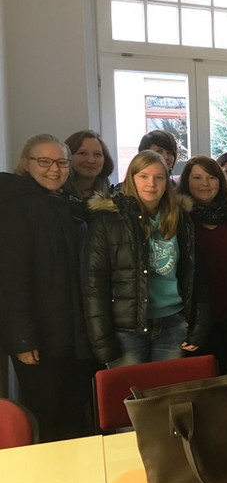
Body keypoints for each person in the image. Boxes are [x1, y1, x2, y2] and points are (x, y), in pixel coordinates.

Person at [0, 134, 97, 441]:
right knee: (48, 416)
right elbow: (12, 278)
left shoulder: (62, 204)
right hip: (39, 338)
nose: (54, 169)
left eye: (61, 162)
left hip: (70, 332)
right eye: (44, 161)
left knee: (74, 412)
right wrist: (23, 338)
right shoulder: (16, 207)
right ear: (25, 163)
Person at [84, 150, 209, 366]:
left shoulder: (180, 218)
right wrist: (102, 341)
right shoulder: (108, 220)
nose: (151, 184)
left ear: (167, 181)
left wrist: (199, 325)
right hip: (125, 329)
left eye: (159, 177)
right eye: (143, 176)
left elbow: (195, 274)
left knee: (166, 397)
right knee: (129, 397)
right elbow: (94, 285)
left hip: (172, 322)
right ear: (131, 178)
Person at [177, 155, 227, 374]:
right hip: (192, 321)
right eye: (197, 177)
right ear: (186, 182)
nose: (205, 183)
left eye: (211, 177)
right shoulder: (178, 219)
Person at [64, 129, 114, 198]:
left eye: (97, 154)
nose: (91, 160)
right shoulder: (55, 194)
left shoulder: (112, 197)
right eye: (82, 153)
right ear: (67, 157)